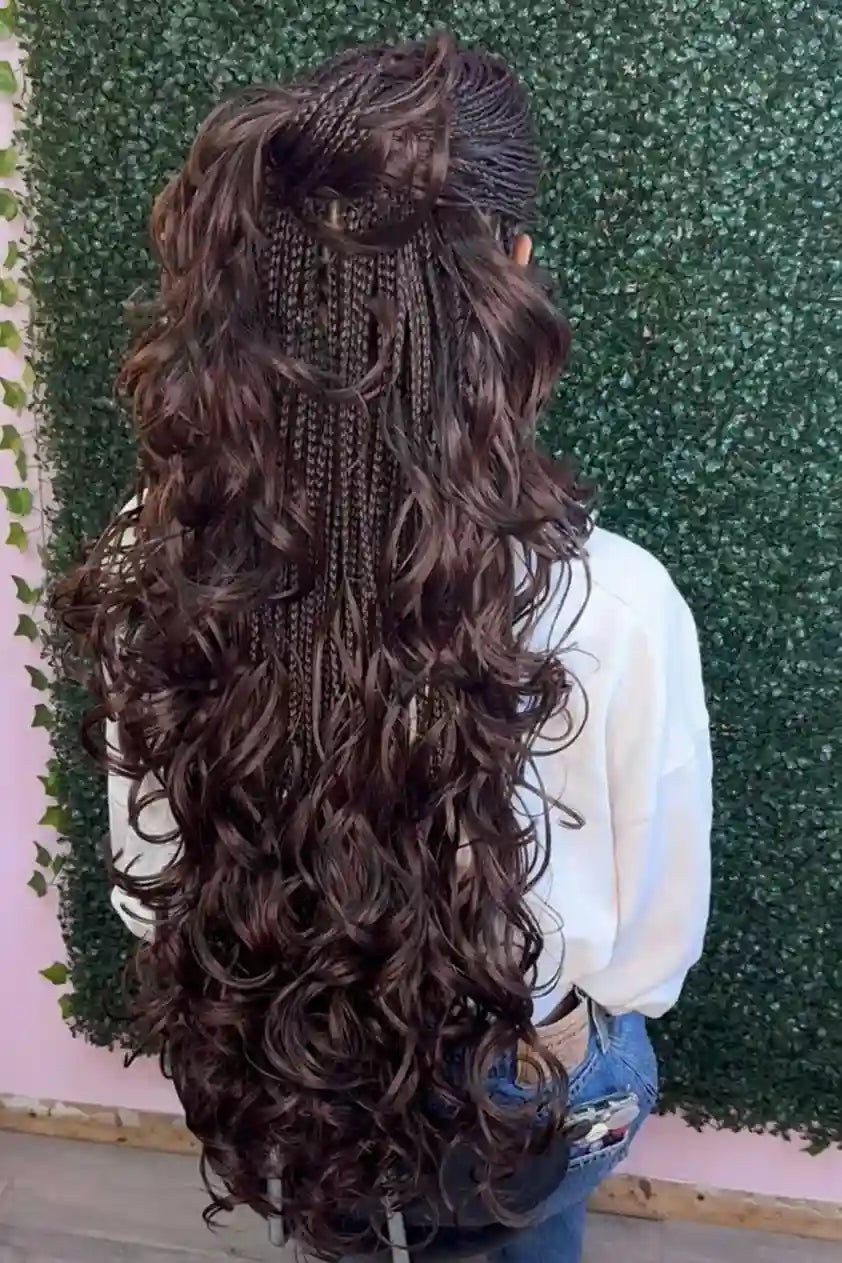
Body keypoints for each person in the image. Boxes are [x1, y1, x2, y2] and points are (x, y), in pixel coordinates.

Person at [56, 33, 712, 1263]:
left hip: (279, 1048)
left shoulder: (166, 552)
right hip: (520, 1075)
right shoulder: (613, 602)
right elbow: (646, 956)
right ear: (509, 272)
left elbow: (149, 871)